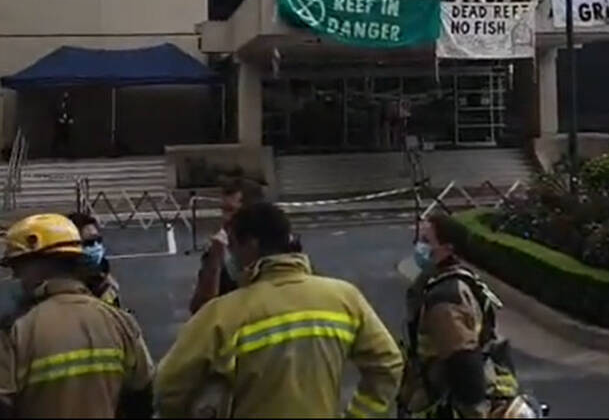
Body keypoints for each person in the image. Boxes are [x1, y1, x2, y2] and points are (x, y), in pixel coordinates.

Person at [155, 202, 405, 418]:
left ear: (250, 245)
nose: (230, 256)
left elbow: (168, 387)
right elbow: (388, 365)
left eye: (232, 246)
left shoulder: (222, 314)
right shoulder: (344, 298)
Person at [0, 213, 154, 418]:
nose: (16, 277)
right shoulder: (120, 321)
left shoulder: (15, 331)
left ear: (39, 265)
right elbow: (143, 396)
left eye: (18, 267)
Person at [401, 213, 537, 419]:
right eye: (419, 240)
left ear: (448, 249)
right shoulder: (457, 281)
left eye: (427, 241)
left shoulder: (445, 299)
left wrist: (475, 411)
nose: (419, 247)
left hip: (448, 404)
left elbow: (462, 361)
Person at [189, 177, 264, 314]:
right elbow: (199, 309)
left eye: (231, 211)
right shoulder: (217, 252)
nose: (225, 218)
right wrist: (214, 261)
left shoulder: (274, 247)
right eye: (223, 210)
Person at [67, 212, 121, 308]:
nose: (96, 246)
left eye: (98, 240)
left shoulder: (102, 270)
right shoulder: (68, 287)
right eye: (89, 242)